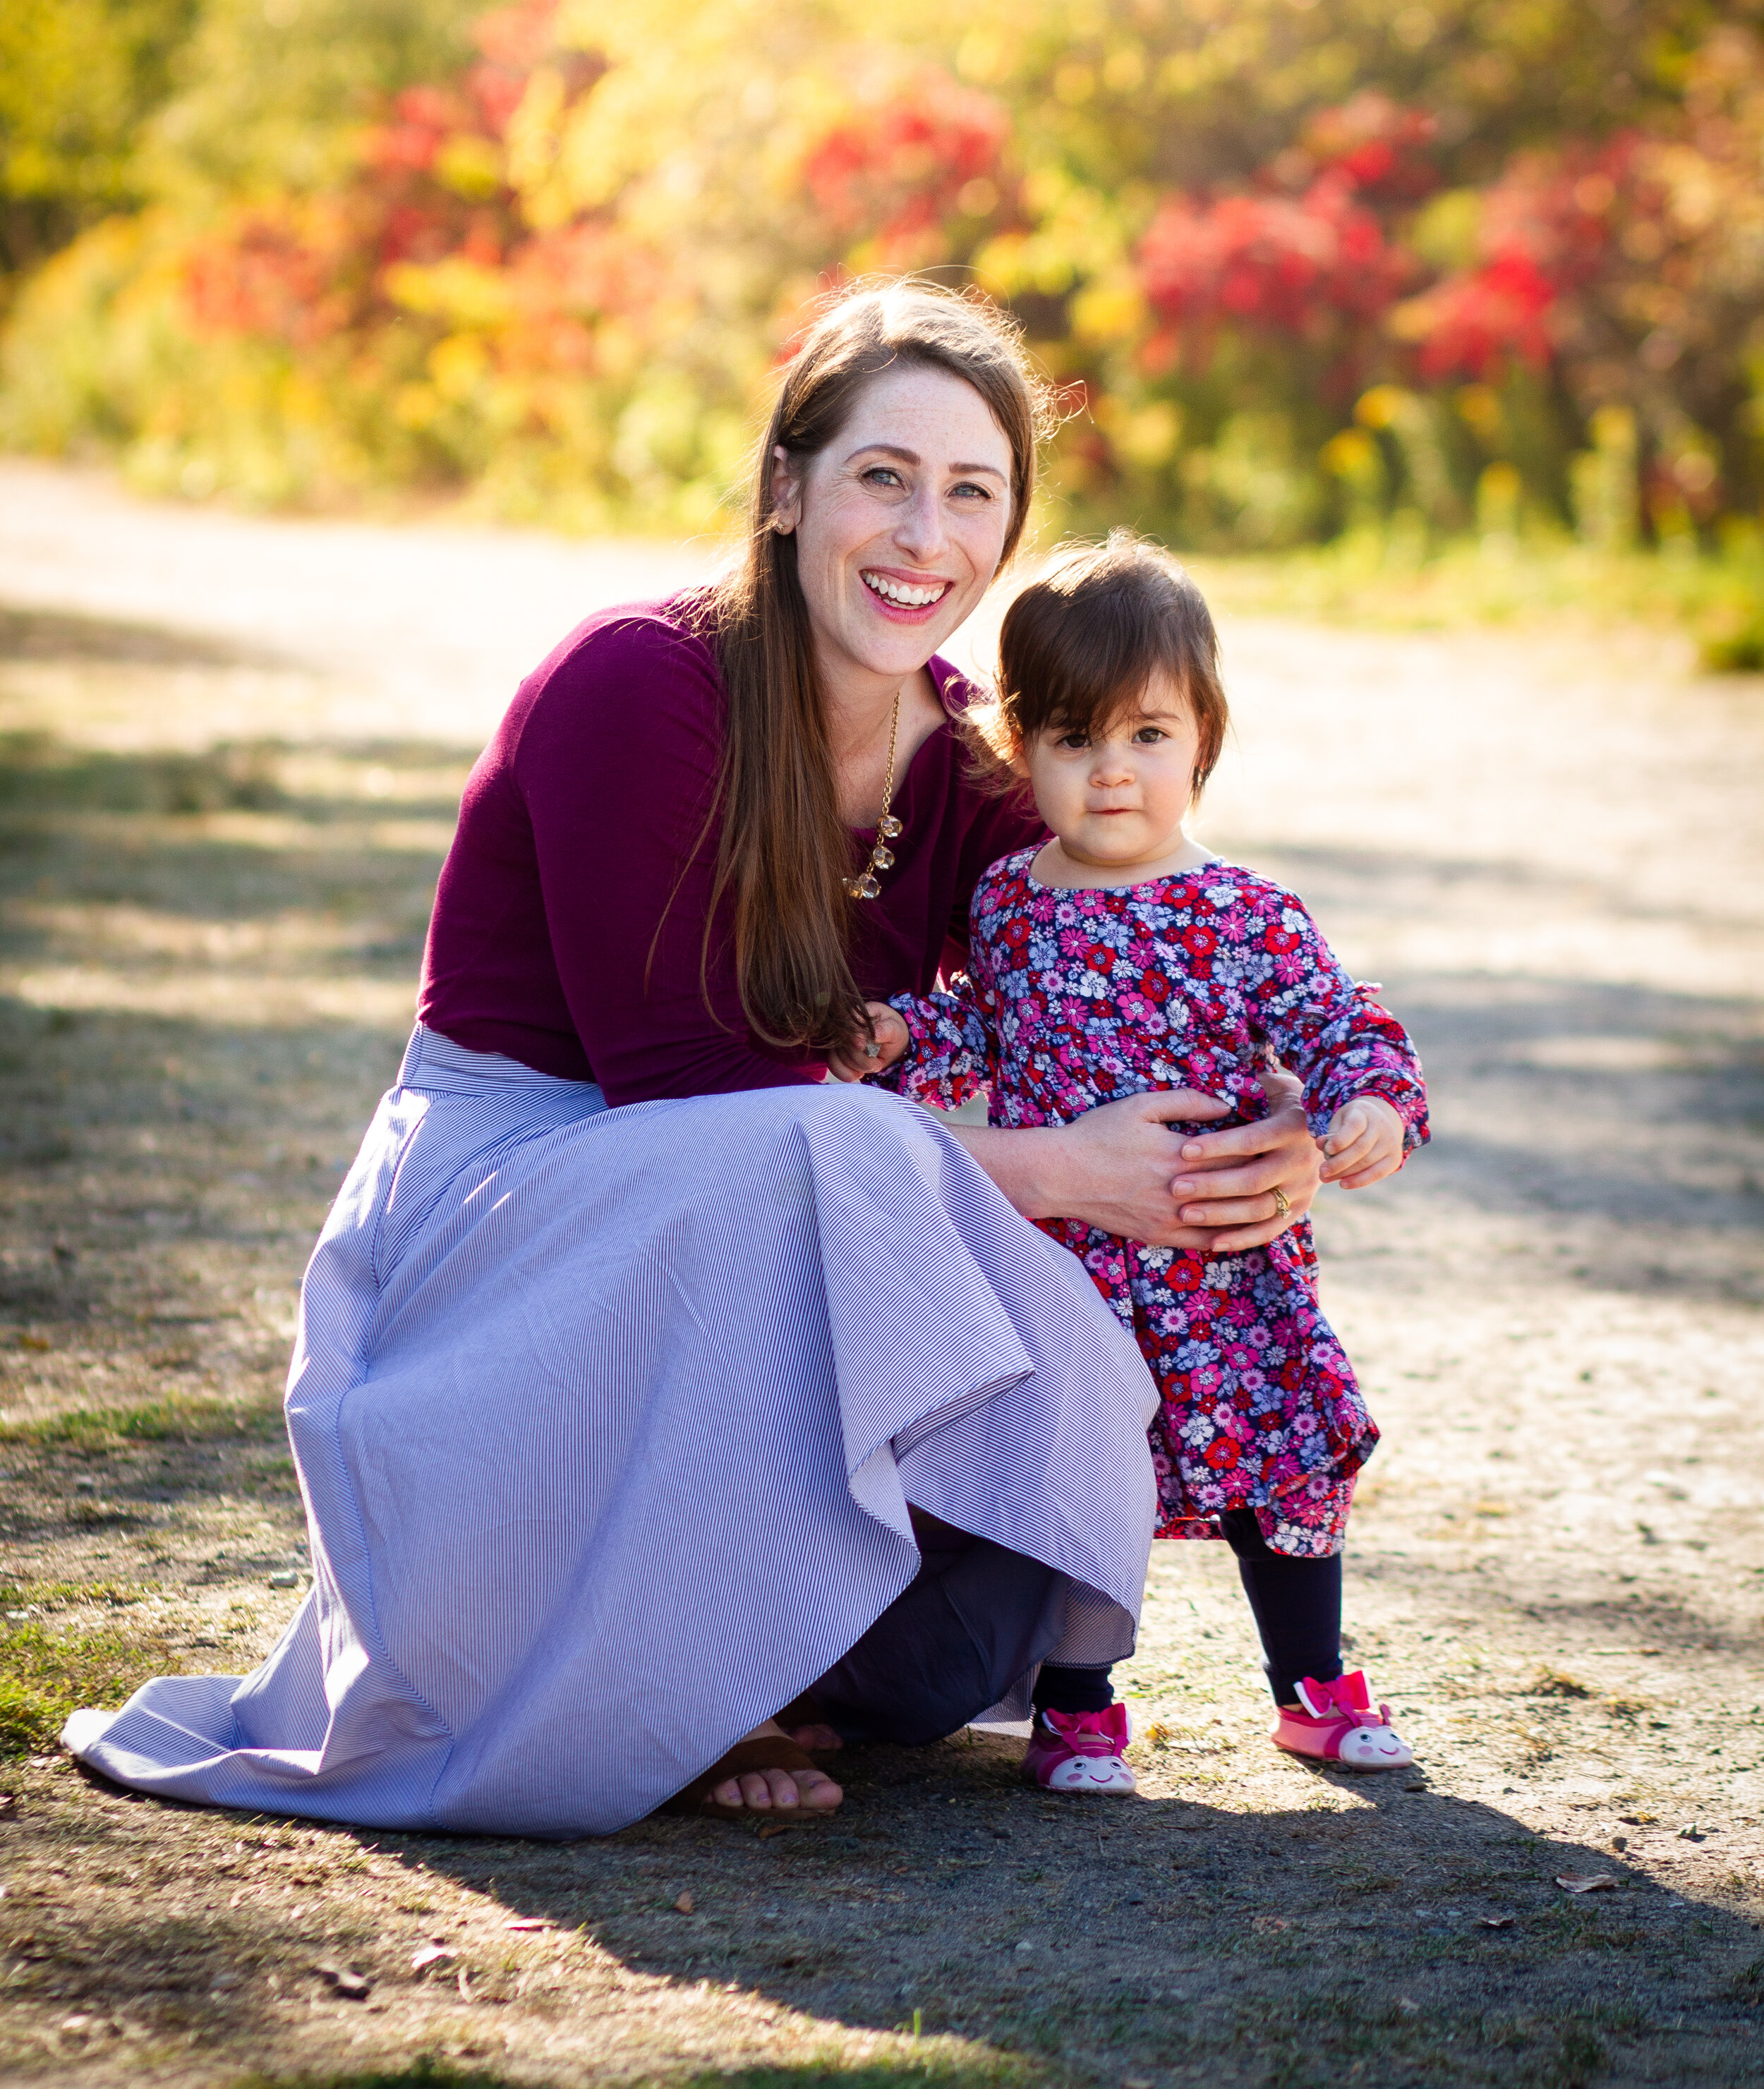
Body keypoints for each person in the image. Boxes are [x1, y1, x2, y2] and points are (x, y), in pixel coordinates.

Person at [64, 285, 1324, 1839]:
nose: (920, 532)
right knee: (826, 1149)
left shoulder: (971, 772)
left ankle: (769, 1651)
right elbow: (682, 1081)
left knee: (968, 1636)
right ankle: (679, 1683)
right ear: (788, 487)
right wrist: (1064, 1173)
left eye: (969, 493)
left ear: (1003, 540)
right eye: (881, 476)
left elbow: (1136, 936)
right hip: (514, 1212)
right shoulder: (639, 684)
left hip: (776, 1196)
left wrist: (1273, 1121)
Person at [836, 534, 1425, 1789]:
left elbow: (1334, 1019)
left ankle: (1311, 1681)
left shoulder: (1244, 910)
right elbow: (976, 1022)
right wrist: (897, 1034)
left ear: (1203, 739)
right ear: (1020, 749)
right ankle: (1078, 1699)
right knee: (1085, 1473)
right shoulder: (1007, 901)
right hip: (1067, 1266)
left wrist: (1367, 1099)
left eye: (1148, 737)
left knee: (1280, 1460)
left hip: (1221, 1264)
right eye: (1072, 739)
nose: (1113, 773)